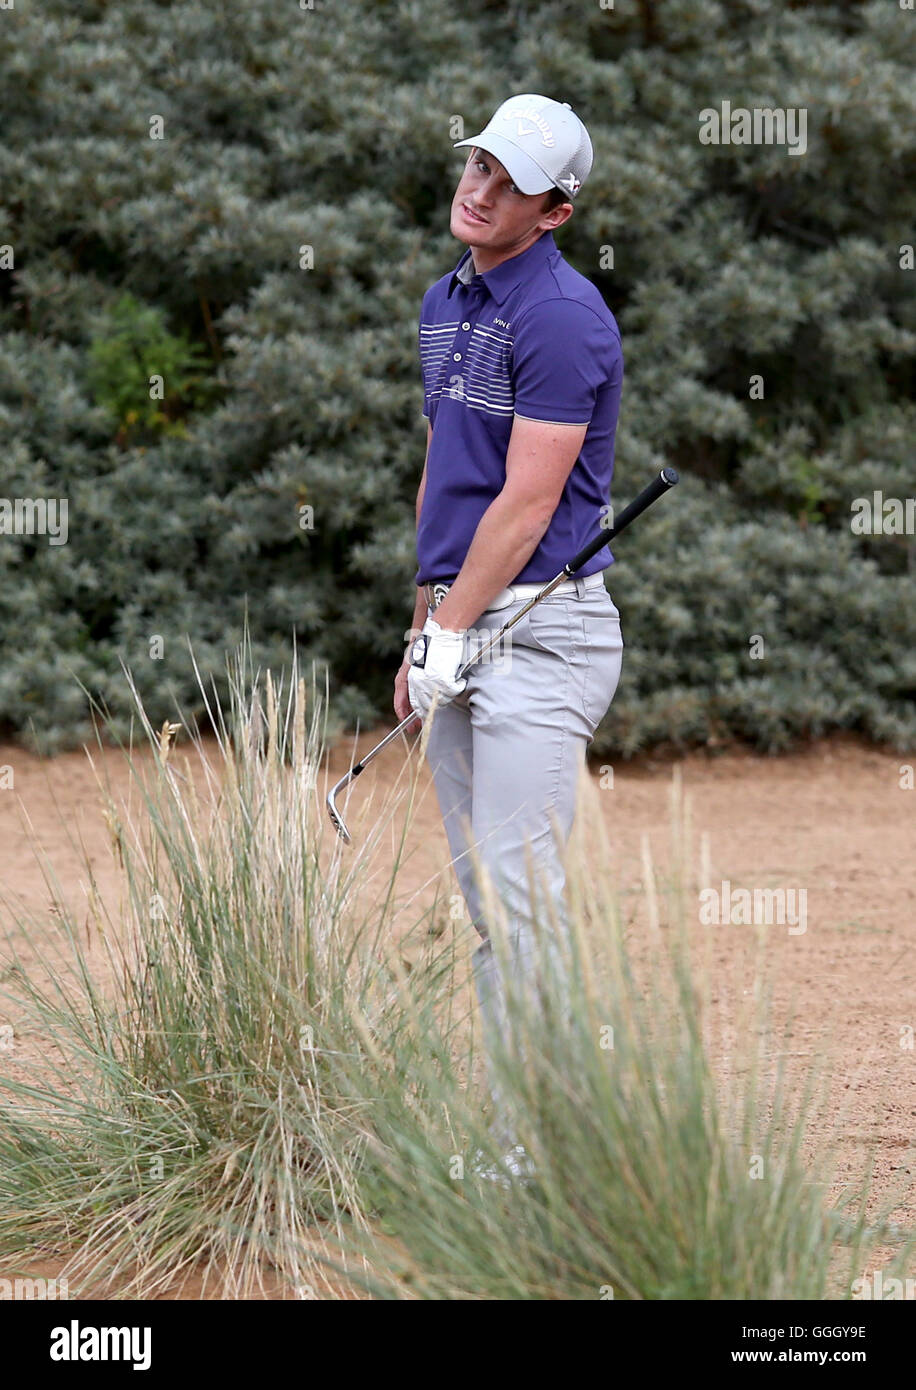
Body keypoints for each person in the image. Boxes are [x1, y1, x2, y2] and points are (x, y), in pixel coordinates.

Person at [393, 94, 625, 1174]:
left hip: (543, 630)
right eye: (476, 164)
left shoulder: (565, 318)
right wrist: (422, 628)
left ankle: (544, 1157)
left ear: (555, 213)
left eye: (509, 182)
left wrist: (453, 631)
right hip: (463, 618)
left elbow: (528, 507)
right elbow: (447, 475)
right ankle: (519, 1143)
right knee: (490, 911)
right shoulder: (448, 300)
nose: (478, 189)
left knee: (523, 908)